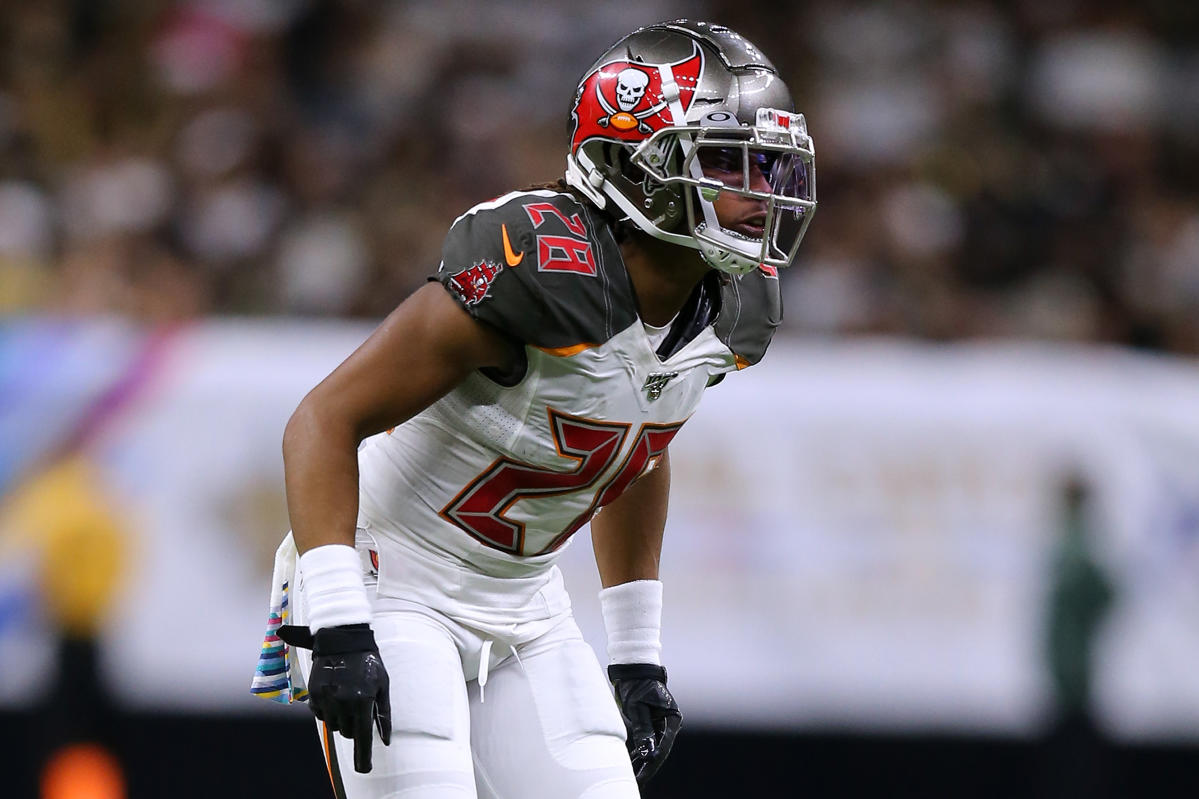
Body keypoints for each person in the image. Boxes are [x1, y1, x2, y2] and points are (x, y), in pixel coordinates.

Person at [252, 19, 816, 799]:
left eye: (765, 160)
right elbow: (321, 419)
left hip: (523, 601)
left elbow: (635, 446)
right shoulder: (542, 265)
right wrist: (343, 619)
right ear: (630, 163)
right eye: (724, 161)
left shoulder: (733, 304)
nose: (758, 189)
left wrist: (636, 653)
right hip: (393, 575)